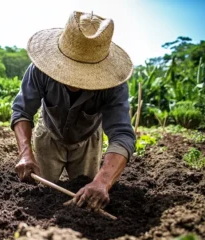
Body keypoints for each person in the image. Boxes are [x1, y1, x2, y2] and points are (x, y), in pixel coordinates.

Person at [11, 11, 136, 211]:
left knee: (85, 198)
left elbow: (122, 135)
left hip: (87, 140)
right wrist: (25, 153)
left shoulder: (114, 86)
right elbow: (22, 111)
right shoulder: (39, 70)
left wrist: (102, 182)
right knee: (41, 197)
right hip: (49, 134)